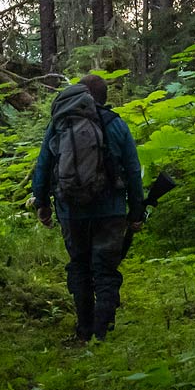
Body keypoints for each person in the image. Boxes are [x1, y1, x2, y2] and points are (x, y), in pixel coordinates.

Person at [31, 73, 144, 343]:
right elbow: (132, 168)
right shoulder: (116, 124)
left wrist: (42, 204)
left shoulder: (59, 124)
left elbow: (43, 166)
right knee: (105, 269)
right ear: (104, 97)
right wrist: (137, 212)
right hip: (111, 210)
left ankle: (84, 331)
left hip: (71, 211)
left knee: (79, 266)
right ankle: (102, 333)